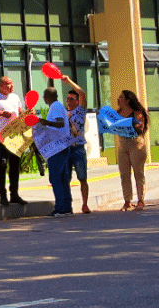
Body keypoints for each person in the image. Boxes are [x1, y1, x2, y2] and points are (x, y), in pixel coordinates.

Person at [0, 76, 27, 206]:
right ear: (1, 85)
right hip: (0, 135)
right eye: (8, 84)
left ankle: (14, 194)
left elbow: (19, 111)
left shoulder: (15, 97)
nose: (11, 86)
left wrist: (26, 113)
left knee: (15, 165)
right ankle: (2, 195)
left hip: (14, 135)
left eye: (12, 84)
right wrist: (0, 114)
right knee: (2, 164)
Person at [35, 88, 72, 217]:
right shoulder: (58, 106)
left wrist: (46, 123)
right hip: (61, 146)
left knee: (56, 178)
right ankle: (66, 207)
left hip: (57, 148)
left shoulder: (55, 106)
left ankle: (61, 208)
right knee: (62, 178)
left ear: (47, 98)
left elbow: (60, 123)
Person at [115, 89, 150, 211]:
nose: (118, 99)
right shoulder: (118, 112)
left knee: (138, 172)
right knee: (124, 174)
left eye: (121, 97)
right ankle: (127, 201)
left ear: (128, 100)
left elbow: (140, 128)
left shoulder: (137, 112)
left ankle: (140, 200)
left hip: (136, 144)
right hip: (123, 144)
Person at [61, 75, 91, 214]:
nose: (68, 101)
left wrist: (68, 81)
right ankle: (68, 205)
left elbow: (82, 93)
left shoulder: (80, 111)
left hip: (78, 149)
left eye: (71, 99)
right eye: (67, 99)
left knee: (82, 177)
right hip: (66, 149)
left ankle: (85, 204)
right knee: (66, 179)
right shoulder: (63, 113)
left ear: (78, 101)